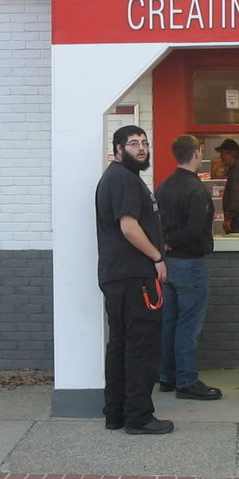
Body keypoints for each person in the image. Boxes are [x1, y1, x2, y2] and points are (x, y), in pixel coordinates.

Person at [94, 125, 173, 435]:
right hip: (134, 277)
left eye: (144, 143)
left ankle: (115, 414)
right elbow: (129, 227)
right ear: (117, 150)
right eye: (133, 144)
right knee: (141, 347)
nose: (141, 148)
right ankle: (139, 417)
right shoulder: (124, 179)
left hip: (118, 276)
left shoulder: (117, 178)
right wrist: (156, 257)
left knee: (121, 345)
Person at [155, 135, 222, 401]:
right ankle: (186, 380)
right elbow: (195, 228)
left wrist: (164, 244)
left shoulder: (163, 187)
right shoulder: (197, 190)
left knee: (169, 322)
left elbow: (155, 221)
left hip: (167, 265)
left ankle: (166, 376)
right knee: (188, 325)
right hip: (190, 264)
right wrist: (172, 242)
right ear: (196, 154)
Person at [216, 139, 239, 234]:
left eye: (223, 153)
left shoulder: (238, 169)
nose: (220, 157)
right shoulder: (238, 167)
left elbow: (237, 195)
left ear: (232, 153)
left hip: (238, 221)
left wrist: (229, 218)